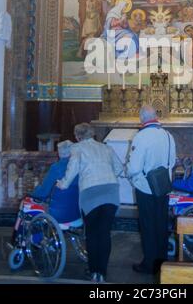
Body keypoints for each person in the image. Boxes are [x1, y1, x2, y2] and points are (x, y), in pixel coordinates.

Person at [57, 123, 123, 283]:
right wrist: (106, 177)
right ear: (92, 134)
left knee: (93, 234)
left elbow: (72, 169)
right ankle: (103, 272)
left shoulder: (77, 148)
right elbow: (120, 168)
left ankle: (94, 272)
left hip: (91, 193)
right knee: (104, 233)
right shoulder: (106, 148)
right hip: (111, 191)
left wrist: (63, 184)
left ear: (77, 136)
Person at [126, 105, 176, 274]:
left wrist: (129, 173)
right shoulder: (168, 135)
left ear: (142, 118)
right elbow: (173, 161)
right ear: (156, 116)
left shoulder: (141, 137)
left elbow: (134, 167)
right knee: (161, 223)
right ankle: (162, 261)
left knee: (148, 225)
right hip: (163, 186)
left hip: (146, 187)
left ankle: (149, 263)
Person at [32, 140, 80, 224]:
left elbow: (44, 192)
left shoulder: (56, 168)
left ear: (59, 154)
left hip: (58, 214)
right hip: (77, 214)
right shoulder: (80, 167)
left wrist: (33, 193)